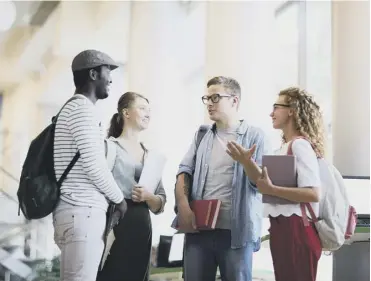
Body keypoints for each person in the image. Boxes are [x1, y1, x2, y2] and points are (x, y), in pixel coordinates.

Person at [174, 76, 269, 281]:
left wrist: (246, 162)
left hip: (236, 233)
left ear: (234, 101)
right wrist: (183, 206)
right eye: (206, 98)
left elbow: (261, 185)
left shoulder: (255, 136)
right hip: (199, 230)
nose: (209, 103)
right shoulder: (202, 134)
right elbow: (184, 170)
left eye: (215, 98)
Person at [228, 87, 323, 281]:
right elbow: (262, 183)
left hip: (297, 229)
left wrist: (272, 189)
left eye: (276, 107)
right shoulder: (284, 147)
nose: (271, 113)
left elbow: (313, 193)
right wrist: (246, 162)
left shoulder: (300, 145)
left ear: (292, 110)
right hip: (282, 228)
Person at [52, 50, 128, 281]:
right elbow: (95, 166)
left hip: (72, 212)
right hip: (82, 213)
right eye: (108, 72)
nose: (111, 79)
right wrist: (119, 199)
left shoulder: (70, 110)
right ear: (94, 74)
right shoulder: (83, 110)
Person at [96, 92, 167, 281]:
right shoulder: (109, 147)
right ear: (126, 113)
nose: (148, 114)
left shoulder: (150, 155)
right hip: (115, 223)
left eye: (149, 110)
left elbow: (161, 202)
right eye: (142, 108)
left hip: (142, 225)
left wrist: (148, 197)